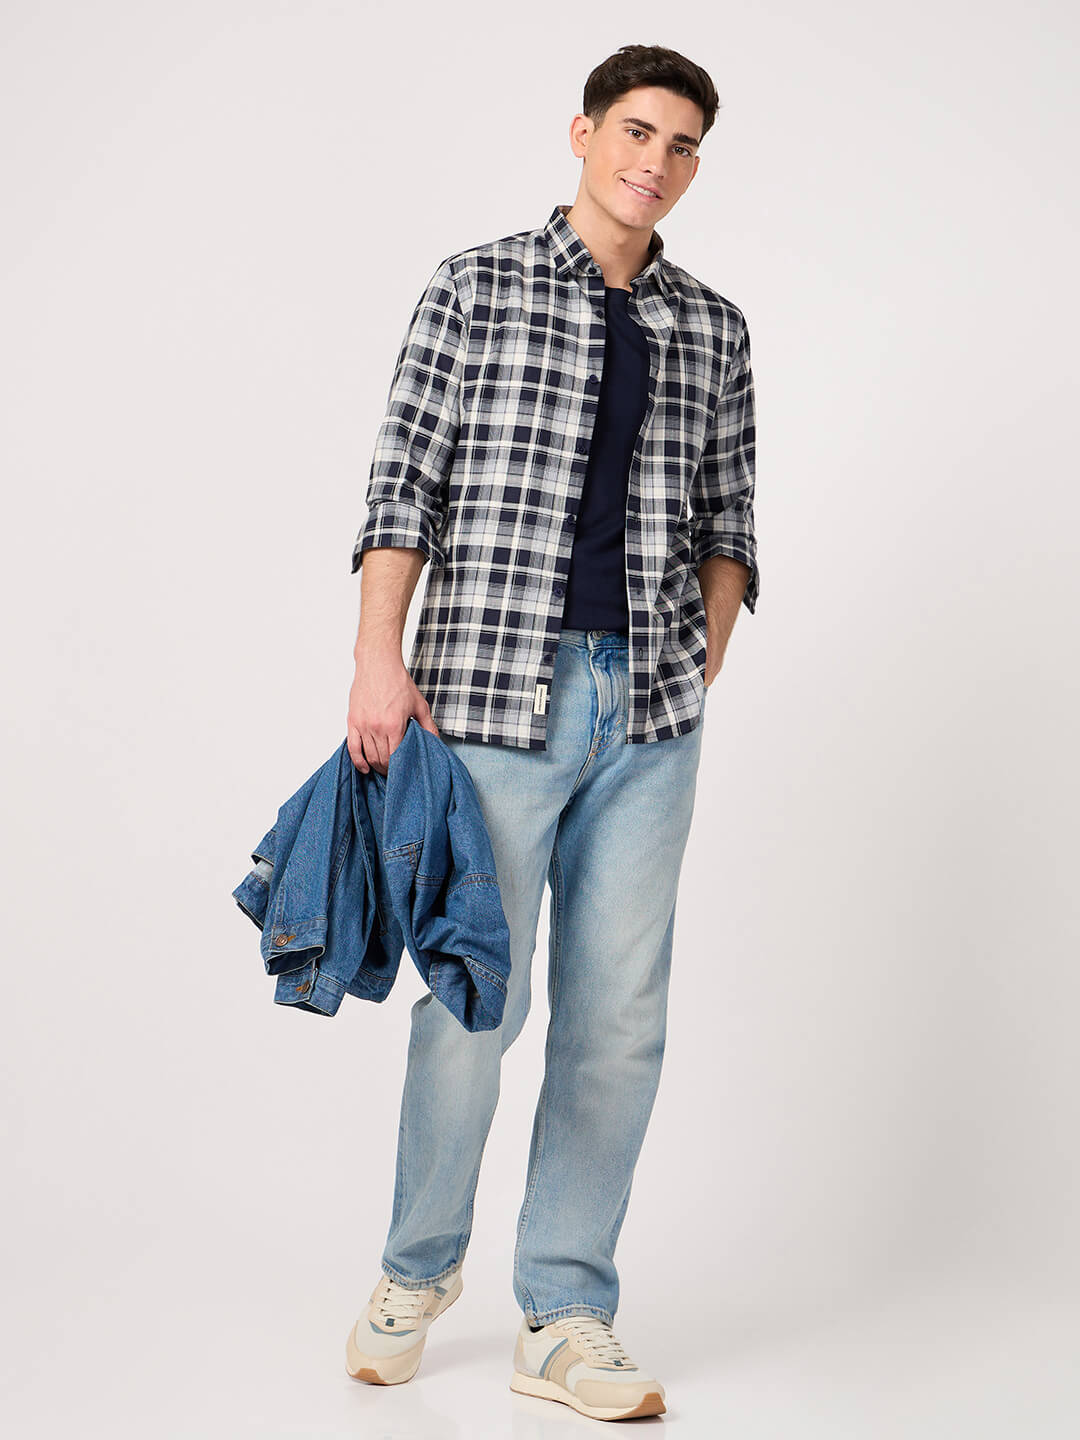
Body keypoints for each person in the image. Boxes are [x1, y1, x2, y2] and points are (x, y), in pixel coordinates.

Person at [343, 42, 759, 1421]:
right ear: (583, 134)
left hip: (650, 710)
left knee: (618, 1020)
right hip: (489, 695)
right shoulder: (476, 286)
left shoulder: (714, 329)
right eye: (637, 131)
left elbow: (730, 518)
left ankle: (566, 1311)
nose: (657, 162)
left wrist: (700, 659)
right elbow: (403, 484)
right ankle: (415, 1269)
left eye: (682, 145)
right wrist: (378, 662)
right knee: (477, 996)